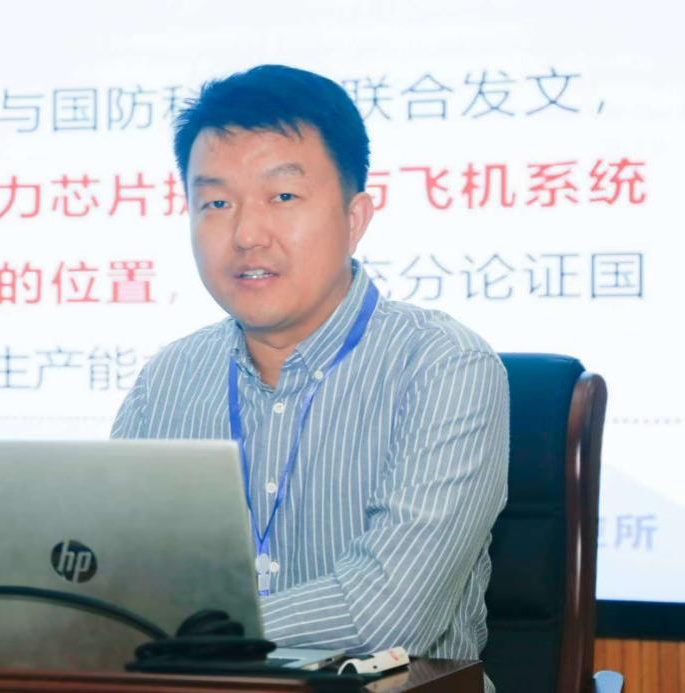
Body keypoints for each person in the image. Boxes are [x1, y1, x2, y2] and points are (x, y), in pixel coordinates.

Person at [111, 64, 509, 677]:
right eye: (215, 202)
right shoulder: (166, 382)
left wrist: (185, 633)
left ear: (355, 218)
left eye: (283, 197)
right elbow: (109, 585)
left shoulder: (443, 368)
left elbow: (390, 615)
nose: (246, 234)